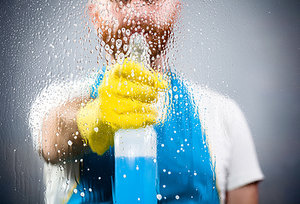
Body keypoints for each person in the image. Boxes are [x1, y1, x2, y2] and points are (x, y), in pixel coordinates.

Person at [29, 0, 264, 203]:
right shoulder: (58, 100)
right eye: (120, 0)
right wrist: (93, 116)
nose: (137, 14)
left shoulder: (223, 115)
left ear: (175, 6)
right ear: (95, 11)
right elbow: (52, 137)